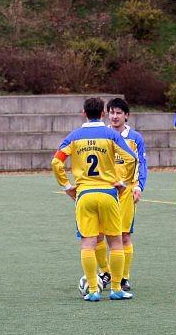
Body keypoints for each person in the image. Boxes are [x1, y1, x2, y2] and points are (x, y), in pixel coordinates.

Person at [53, 97, 138, 301]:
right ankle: (116, 289)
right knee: (115, 242)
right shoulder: (111, 135)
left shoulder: (74, 137)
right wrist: (123, 182)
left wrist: (67, 186)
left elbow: (56, 162)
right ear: (103, 113)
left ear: (84, 113)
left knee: (88, 243)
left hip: (84, 195)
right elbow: (131, 158)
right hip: (108, 194)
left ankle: (93, 290)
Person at [107, 97, 147, 291]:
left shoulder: (135, 138)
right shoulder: (103, 135)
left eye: (118, 113)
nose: (114, 116)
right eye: (111, 113)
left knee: (124, 236)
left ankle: (123, 277)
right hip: (105, 192)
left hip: (126, 193)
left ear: (126, 115)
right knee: (99, 236)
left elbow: (141, 164)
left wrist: (138, 187)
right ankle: (105, 273)